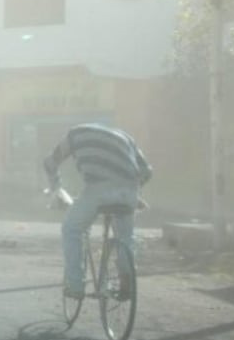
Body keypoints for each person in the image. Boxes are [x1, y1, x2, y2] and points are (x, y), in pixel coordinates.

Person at [43, 123, 153, 299]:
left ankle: (76, 285)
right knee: (125, 238)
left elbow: (50, 162)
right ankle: (127, 283)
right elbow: (147, 170)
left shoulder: (75, 134)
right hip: (129, 190)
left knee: (71, 230)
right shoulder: (125, 136)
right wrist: (136, 193)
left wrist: (56, 188)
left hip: (98, 189)